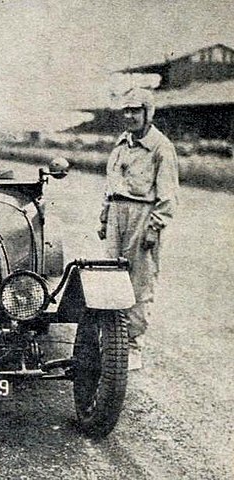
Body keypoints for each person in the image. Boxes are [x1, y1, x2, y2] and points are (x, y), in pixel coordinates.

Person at [97, 87, 179, 371]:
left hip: (142, 214)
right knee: (108, 276)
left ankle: (132, 346)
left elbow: (168, 194)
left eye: (136, 110)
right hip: (117, 214)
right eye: (126, 110)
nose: (130, 116)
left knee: (140, 281)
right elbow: (111, 185)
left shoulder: (161, 147)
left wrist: (154, 227)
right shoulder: (121, 144)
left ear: (148, 113)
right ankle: (111, 340)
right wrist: (105, 217)